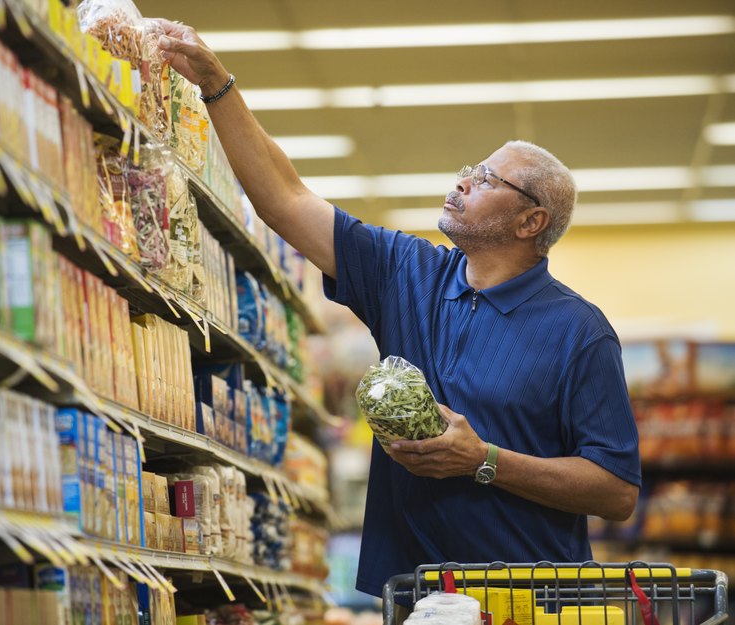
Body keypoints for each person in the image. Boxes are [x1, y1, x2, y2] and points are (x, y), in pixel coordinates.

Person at [156, 22, 641, 604]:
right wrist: (217, 85)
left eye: (486, 178)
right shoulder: (407, 273)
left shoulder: (578, 332)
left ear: (530, 221)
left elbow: (616, 492)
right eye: (470, 168)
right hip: (415, 598)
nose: (462, 182)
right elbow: (285, 201)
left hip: (532, 604)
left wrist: (483, 460)